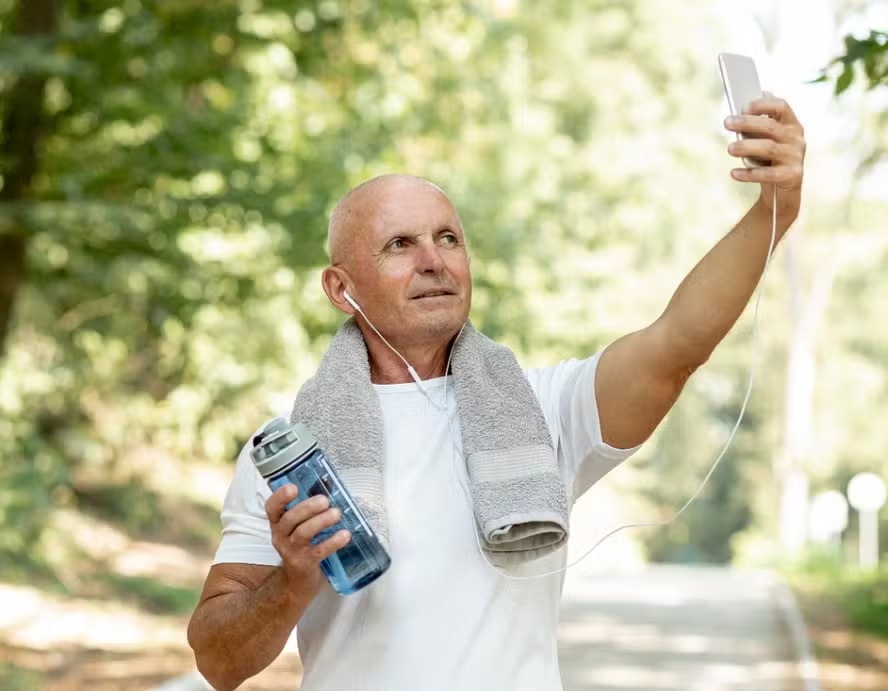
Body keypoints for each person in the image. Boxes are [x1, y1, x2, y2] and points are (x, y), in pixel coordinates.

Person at [187, 95, 806, 691]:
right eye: (400, 245)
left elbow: (675, 345)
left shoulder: (539, 413)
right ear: (341, 288)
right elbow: (219, 662)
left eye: (448, 238)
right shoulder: (292, 456)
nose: (435, 261)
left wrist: (773, 211)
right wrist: (294, 580)